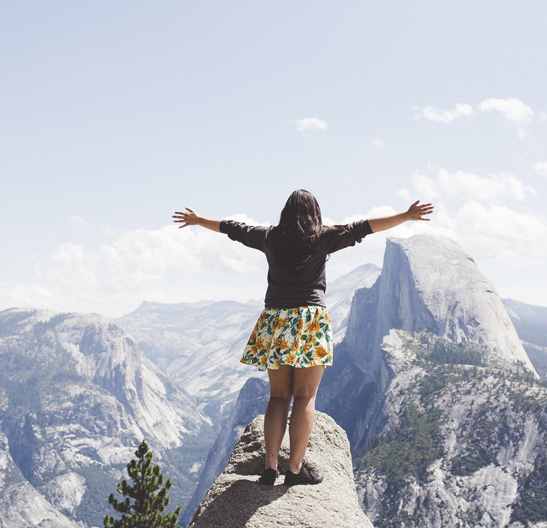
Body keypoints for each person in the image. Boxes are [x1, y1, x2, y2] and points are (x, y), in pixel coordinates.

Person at [173, 190, 433, 486]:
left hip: (276, 320)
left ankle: (269, 468)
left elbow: (233, 228)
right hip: (309, 321)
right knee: (305, 396)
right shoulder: (322, 237)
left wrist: (198, 220)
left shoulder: (270, 237)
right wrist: (406, 216)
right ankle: (294, 471)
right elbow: (365, 227)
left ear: (286, 213)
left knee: (278, 396)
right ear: (314, 214)